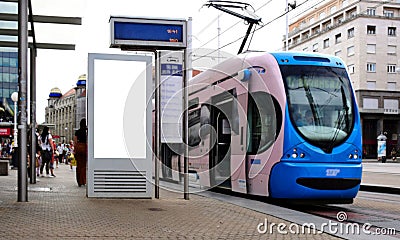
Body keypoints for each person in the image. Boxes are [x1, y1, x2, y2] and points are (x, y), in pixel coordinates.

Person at [74, 118, 87, 187]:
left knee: (79, 165)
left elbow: (75, 142)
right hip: (85, 148)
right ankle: (84, 180)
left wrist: (75, 150)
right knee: (84, 166)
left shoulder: (77, 132)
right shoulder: (87, 132)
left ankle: (79, 181)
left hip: (79, 148)